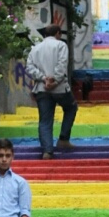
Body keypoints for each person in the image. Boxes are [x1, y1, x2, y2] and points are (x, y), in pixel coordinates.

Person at [25, 24, 78, 159]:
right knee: (71, 108)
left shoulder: (35, 48)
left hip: (42, 89)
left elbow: (29, 68)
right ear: (58, 33)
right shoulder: (61, 45)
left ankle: (47, 151)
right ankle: (63, 139)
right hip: (60, 88)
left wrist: (44, 79)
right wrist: (54, 81)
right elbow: (62, 64)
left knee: (45, 120)